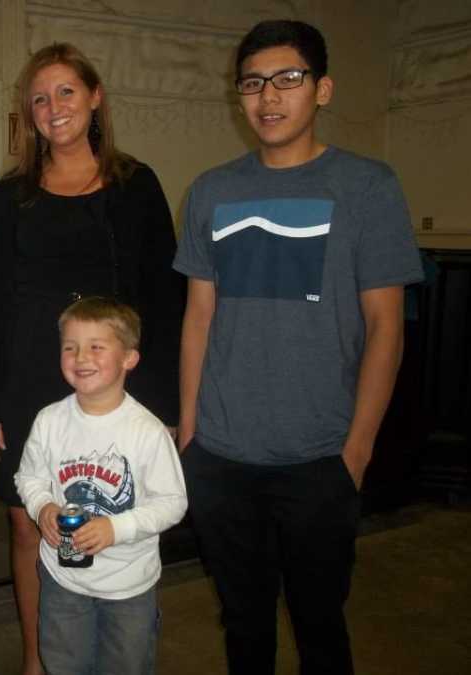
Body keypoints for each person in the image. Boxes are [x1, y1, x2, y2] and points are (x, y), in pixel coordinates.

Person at [173, 19, 424, 675]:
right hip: (223, 456)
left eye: (289, 78)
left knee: (320, 624)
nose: (269, 96)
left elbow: (386, 327)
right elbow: (199, 314)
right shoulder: (212, 190)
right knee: (244, 623)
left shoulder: (368, 187)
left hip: (320, 455)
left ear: (323, 89)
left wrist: (358, 448)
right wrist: (192, 428)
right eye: (253, 83)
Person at [0, 42, 185, 674]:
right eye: (40, 97)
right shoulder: (10, 197)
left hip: (111, 385)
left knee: (117, 518)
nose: (53, 107)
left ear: (94, 98)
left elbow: (164, 302)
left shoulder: (135, 185)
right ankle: (40, 659)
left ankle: (118, 649)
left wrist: (163, 405)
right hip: (28, 380)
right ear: (27, 113)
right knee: (28, 522)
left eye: (66, 92)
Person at [15, 297, 188, 675]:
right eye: (70, 347)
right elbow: (28, 477)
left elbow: (173, 502)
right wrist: (42, 505)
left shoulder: (147, 431)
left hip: (128, 586)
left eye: (96, 346)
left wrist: (116, 527)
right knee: (63, 664)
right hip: (63, 581)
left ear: (129, 358)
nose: (81, 357)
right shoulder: (49, 420)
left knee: (126, 666)